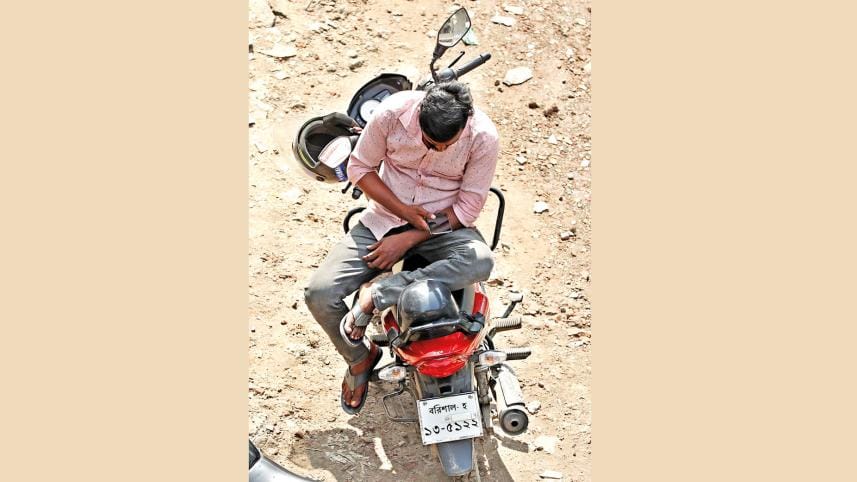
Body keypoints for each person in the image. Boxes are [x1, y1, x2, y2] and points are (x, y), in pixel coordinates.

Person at [303, 81, 500, 414]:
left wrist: (410, 236)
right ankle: (360, 358)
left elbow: (467, 207)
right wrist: (403, 214)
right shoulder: (391, 113)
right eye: (428, 142)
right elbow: (359, 168)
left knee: (481, 261)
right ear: (421, 111)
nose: (436, 151)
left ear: (465, 122)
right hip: (383, 219)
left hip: (443, 228)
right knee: (319, 294)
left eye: (444, 146)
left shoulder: (482, 136)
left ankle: (380, 293)